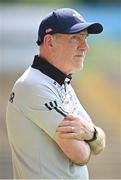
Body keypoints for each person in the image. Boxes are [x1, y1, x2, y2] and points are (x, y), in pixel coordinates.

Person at [6, 8, 106, 179]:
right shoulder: (34, 86)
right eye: (75, 37)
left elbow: (99, 140)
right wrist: (93, 136)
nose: (85, 47)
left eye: (85, 38)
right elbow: (80, 154)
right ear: (50, 42)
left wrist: (91, 134)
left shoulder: (61, 83)